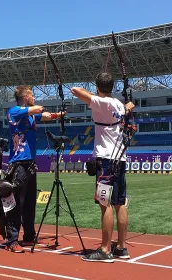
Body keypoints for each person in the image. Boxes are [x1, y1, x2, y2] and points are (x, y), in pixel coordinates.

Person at [71, 72, 135, 263]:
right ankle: (122, 248)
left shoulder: (102, 102)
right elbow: (125, 108)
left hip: (105, 160)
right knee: (120, 203)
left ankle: (106, 250)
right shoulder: (117, 104)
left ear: (98, 87)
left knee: (104, 203)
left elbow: (75, 90)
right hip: (120, 159)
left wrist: (96, 94)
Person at [3, 85, 64, 253]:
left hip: (30, 163)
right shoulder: (14, 111)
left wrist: (58, 115)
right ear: (25, 97)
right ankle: (12, 240)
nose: (35, 98)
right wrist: (39, 109)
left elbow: (43, 115)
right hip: (19, 164)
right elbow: (37, 109)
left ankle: (28, 235)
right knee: (17, 204)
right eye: (32, 95)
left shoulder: (29, 115)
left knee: (30, 203)